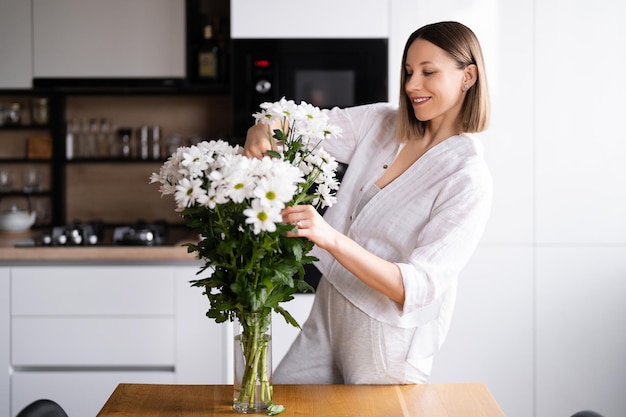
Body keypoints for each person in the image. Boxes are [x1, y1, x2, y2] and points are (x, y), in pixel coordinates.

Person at [244, 21, 492, 384]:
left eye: (428, 72)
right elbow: (301, 126)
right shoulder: (380, 122)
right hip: (330, 303)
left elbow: (416, 286)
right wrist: (264, 125)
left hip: (383, 333)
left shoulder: (467, 178)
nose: (411, 85)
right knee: (283, 400)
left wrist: (329, 237)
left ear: (468, 76)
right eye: (408, 72)